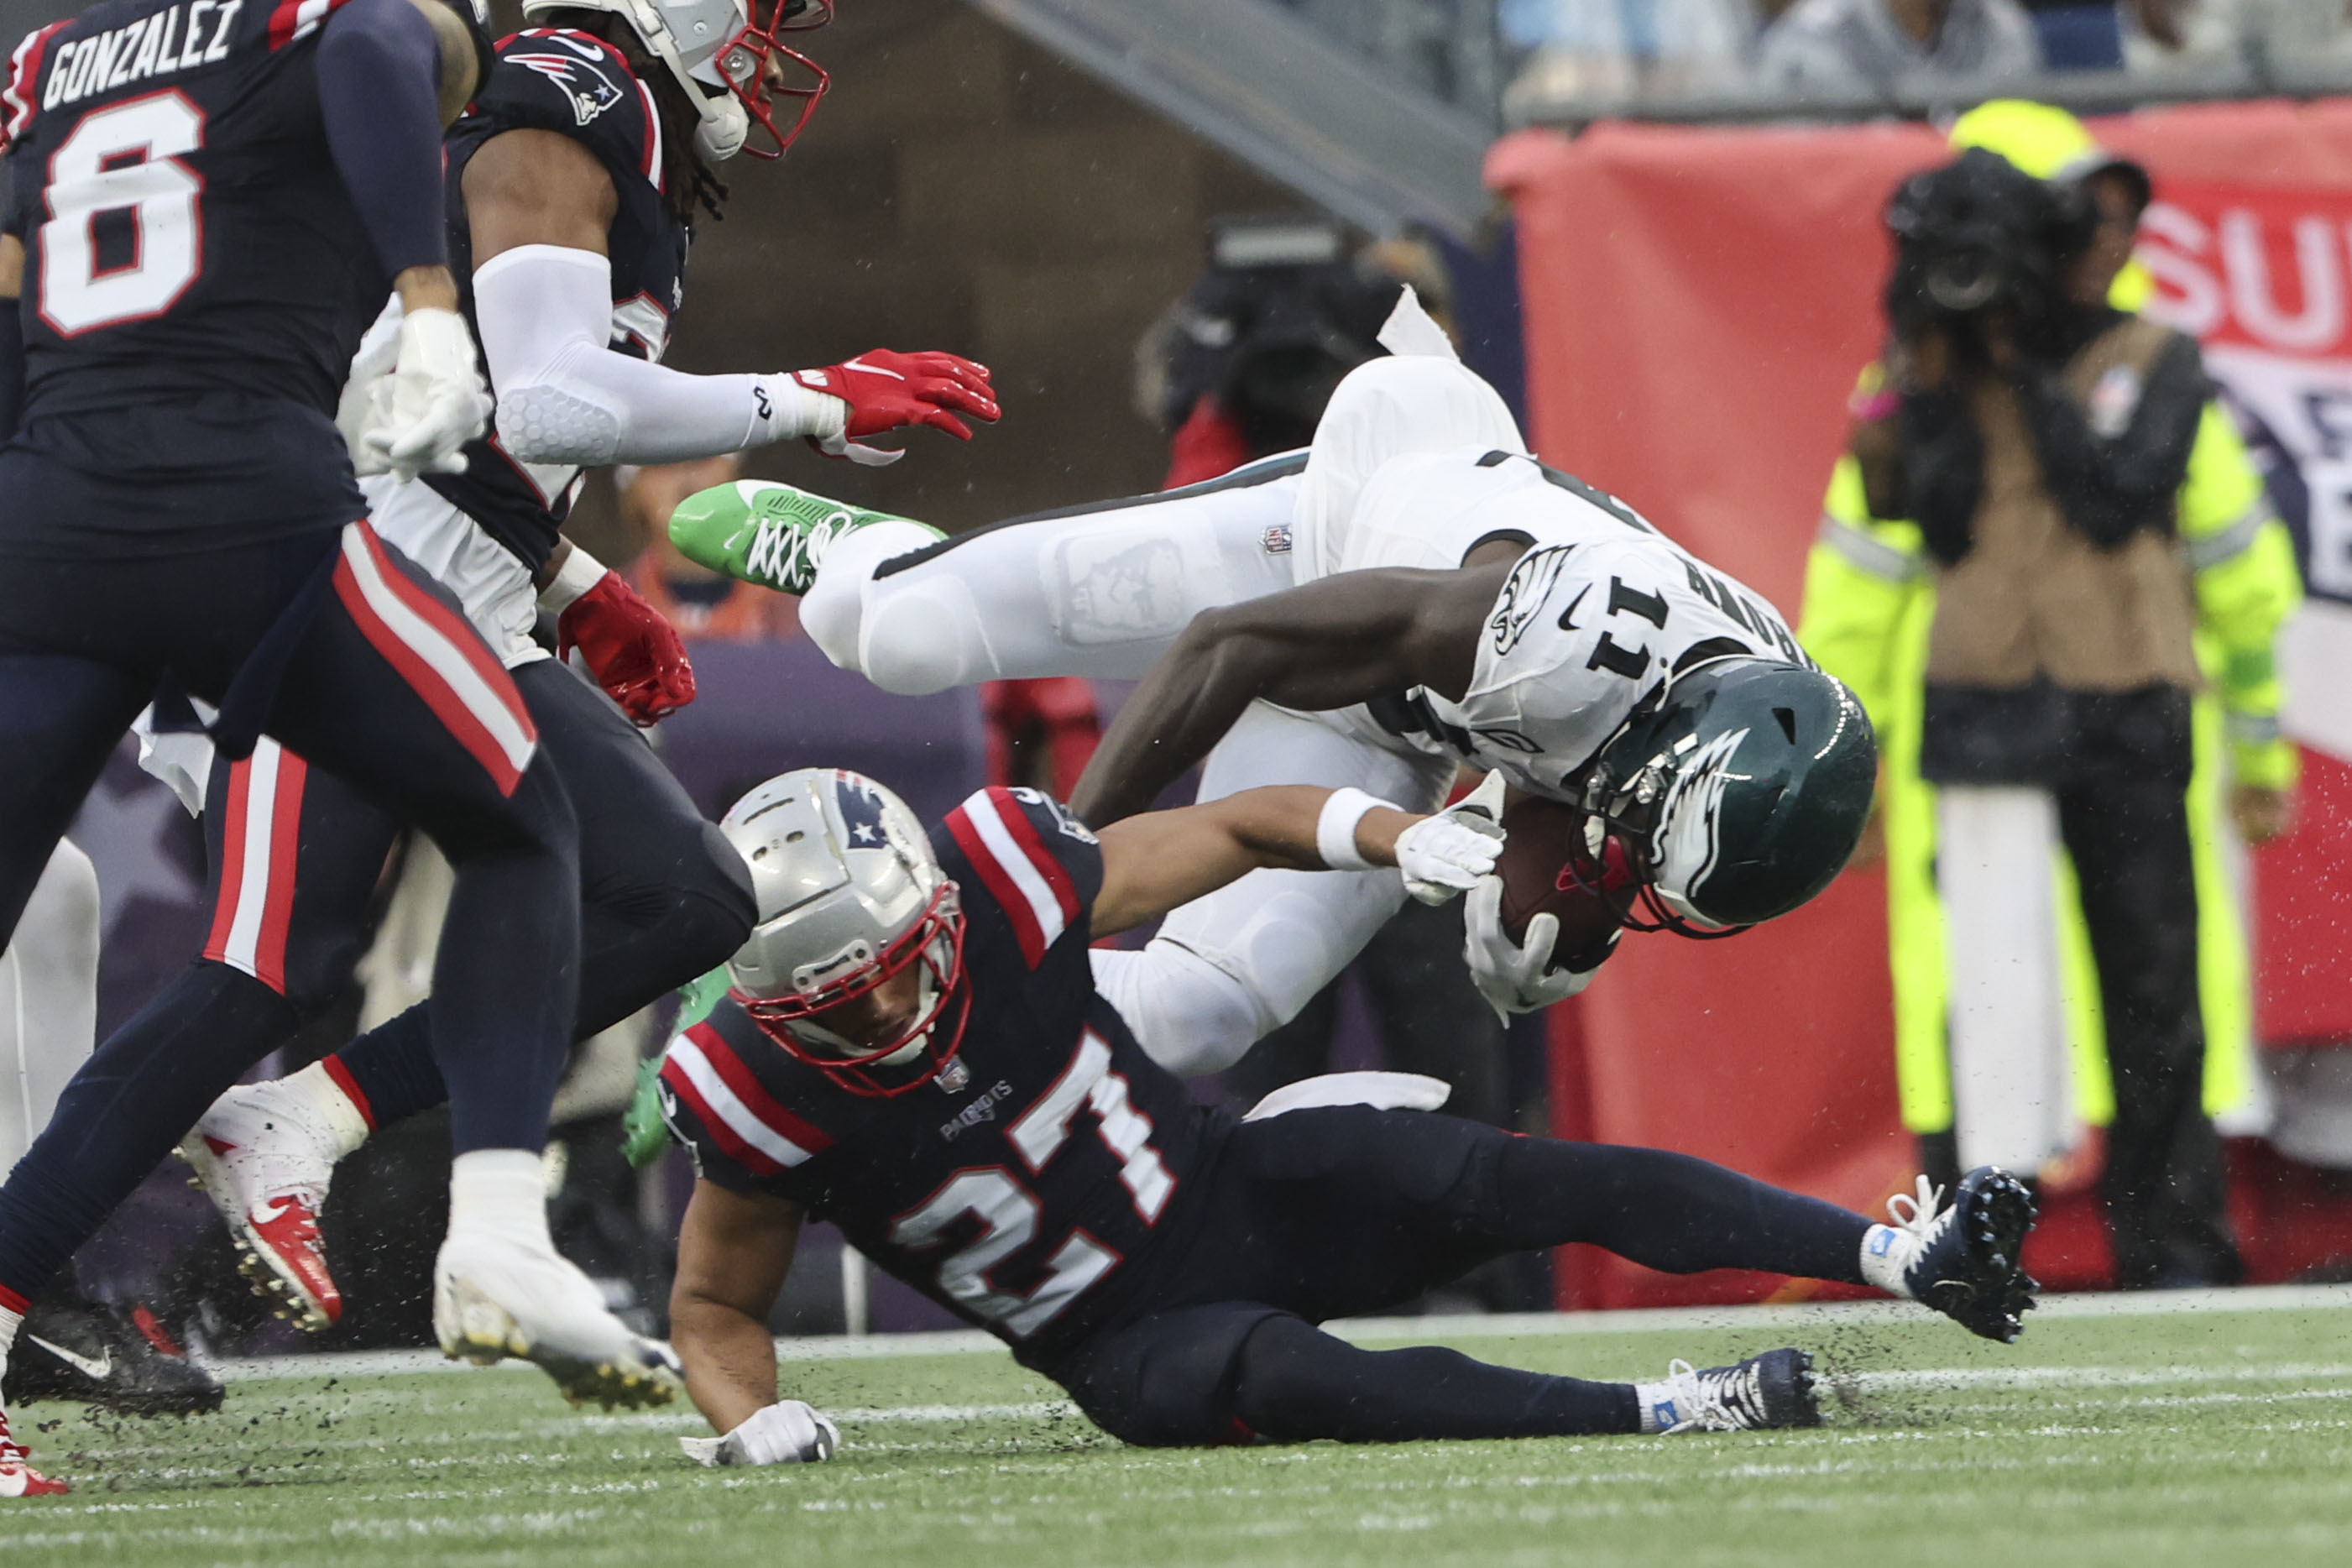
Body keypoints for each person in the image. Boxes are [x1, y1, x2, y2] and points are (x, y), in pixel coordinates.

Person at [8, 0, 996, 1393]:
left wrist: (567, 570)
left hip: (440, 579)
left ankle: (309, 1121)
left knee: (681, 894)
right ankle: (50, 1283)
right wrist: (811, 399)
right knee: (253, 972)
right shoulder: (571, 89)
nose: (772, 32)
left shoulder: (602, 99)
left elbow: (470, 410)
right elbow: (540, 400)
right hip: (345, 571)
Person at [657, 767, 2036, 1462]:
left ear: (931, 906)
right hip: (1123, 1337)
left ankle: (1905, 1258)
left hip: (1221, 1186)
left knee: (1478, 1170)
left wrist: (1395, 838)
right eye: (836, 1010)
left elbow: (1246, 825)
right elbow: (714, 1309)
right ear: (767, 1004)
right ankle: (1677, 1408)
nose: (884, 1020)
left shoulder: (999, 870)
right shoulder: (752, 1088)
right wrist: (752, 1419)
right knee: (1280, 1371)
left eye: (894, 976)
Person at [664, 308, 1878, 1081]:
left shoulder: (1740, 717)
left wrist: (1544, 902)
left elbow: (1562, 800)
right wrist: (1066, 863)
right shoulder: (1549, 628)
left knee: (1196, 1016)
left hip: (1407, 728)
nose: (1638, 865)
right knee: (905, 633)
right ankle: (859, 559)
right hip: (1324, 550)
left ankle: (884, 975)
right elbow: (1225, 649)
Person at [0, 0, 620, 1495]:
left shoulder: (47, 59)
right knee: (522, 823)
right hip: (250, 517)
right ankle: (498, 1224)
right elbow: (365, 46)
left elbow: (24, 282)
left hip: (58, 515)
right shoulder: (324, 25)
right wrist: (425, 294)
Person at [1802, 138, 2283, 1291]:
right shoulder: (1931, 369)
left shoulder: (2156, 358)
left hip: (2128, 709)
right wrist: (1925, 371)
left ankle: (2172, 1247)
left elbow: (2118, 501)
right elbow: (1933, 525)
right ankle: (1978, 1246)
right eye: (2078, 225)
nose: (2098, 250)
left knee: (2153, 990)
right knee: (1991, 993)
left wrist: (2017, 369)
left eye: (2116, 227)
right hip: (1984, 712)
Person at [1754, 0, 2041, 95]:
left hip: (1973, 208)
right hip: (1850, 206)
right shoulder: (1813, 33)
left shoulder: (1998, 21)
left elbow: (2018, 126)